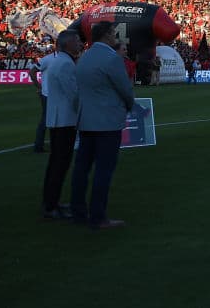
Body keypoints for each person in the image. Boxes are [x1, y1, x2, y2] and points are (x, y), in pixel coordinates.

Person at [70, 22, 135, 229]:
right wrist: (128, 105)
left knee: (81, 169)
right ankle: (98, 217)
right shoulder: (111, 58)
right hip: (107, 122)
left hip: (85, 121)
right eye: (114, 34)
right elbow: (125, 89)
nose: (116, 37)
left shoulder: (84, 57)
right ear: (107, 35)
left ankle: (78, 211)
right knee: (103, 171)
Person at [40, 31, 83, 219]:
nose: (80, 44)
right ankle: (51, 205)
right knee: (60, 163)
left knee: (56, 163)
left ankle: (51, 202)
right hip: (64, 120)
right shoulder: (65, 63)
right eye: (77, 41)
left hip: (59, 118)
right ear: (68, 44)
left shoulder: (61, 61)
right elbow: (73, 94)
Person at [29, 49, 55, 153]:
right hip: (48, 95)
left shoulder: (66, 58)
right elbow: (32, 71)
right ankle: (38, 145)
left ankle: (44, 145)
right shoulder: (47, 59)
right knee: (45, 120)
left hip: (58, 95)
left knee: (54, 120)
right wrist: (39, 87)